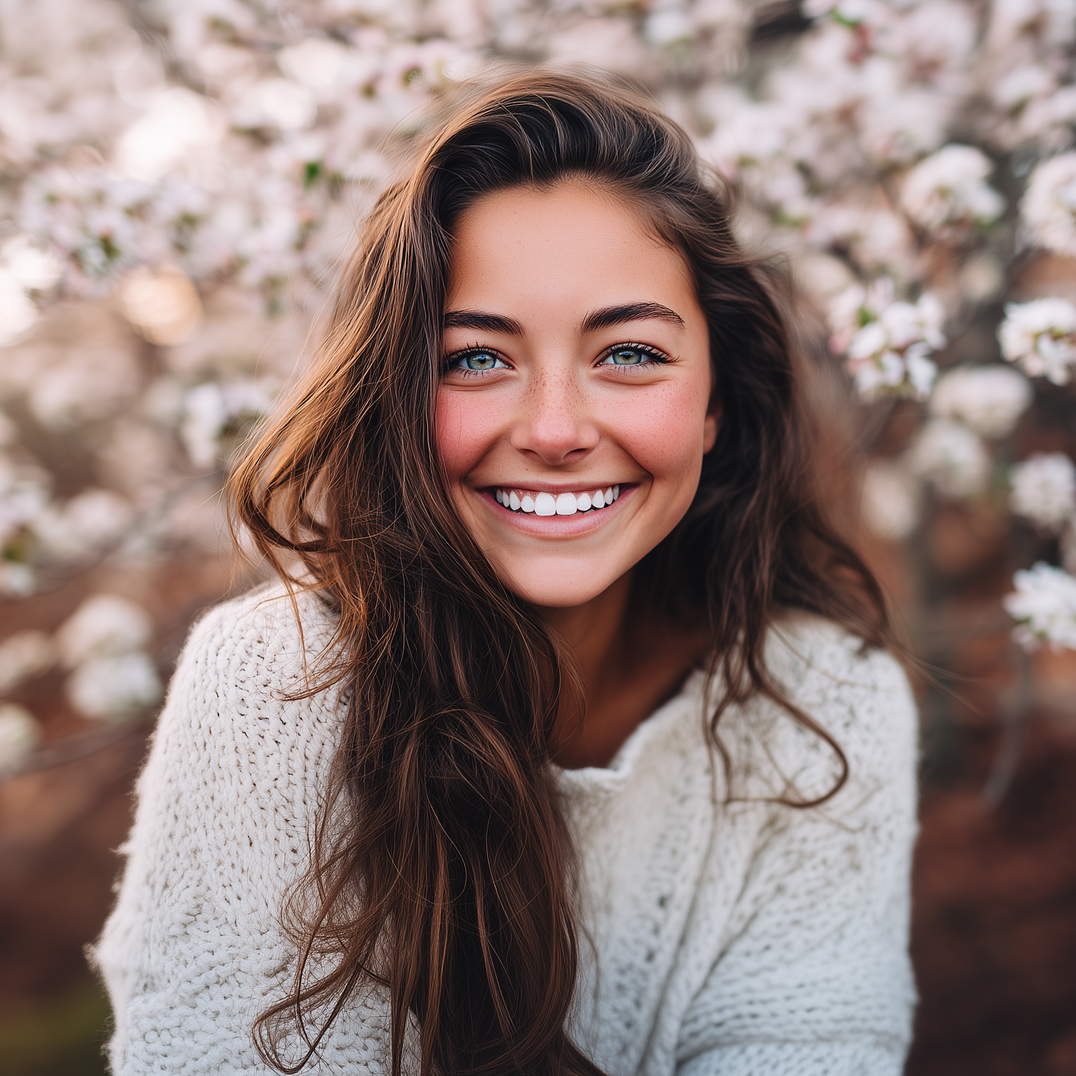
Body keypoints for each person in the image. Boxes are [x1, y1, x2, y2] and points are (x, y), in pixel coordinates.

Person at [93, 71, 918, 1076]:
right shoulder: (272, 684)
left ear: (715, 401)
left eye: (627, 352)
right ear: (398, 394)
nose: (558, 430)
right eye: (476, 359)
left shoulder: (820, 702)